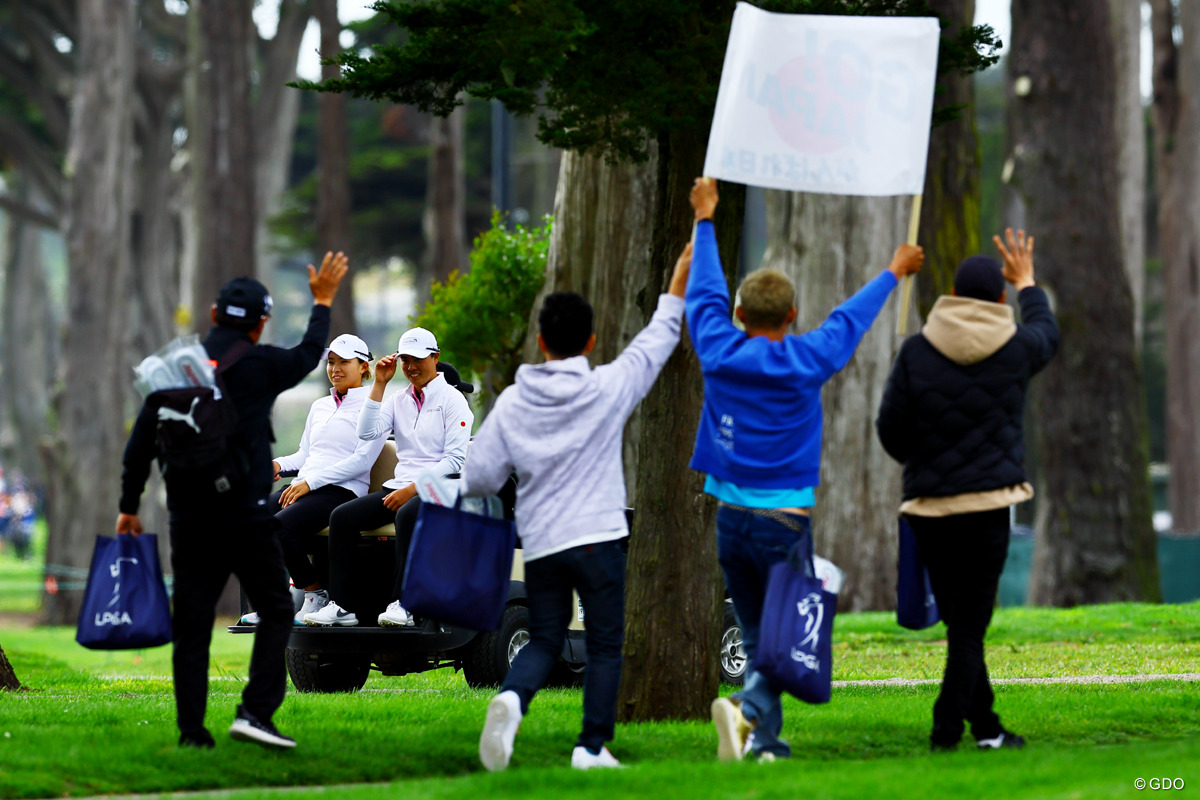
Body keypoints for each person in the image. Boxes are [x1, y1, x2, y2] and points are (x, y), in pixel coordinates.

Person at [685, 177, 924, 762]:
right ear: (793, 314)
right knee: (786, 636)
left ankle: (762, 745)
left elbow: (704, 293)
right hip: (784, 523)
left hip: (729, 520)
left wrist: (707, 219)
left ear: (740, 314)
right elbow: (848, 320)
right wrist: (894, 270)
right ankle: (750, 712)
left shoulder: (718, 347)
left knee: (756, 631)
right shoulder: (807, 358)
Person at [463, 243, 693, 772]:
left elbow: (479, 477)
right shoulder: (607, 387)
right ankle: (591, 748)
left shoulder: (514, 403)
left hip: (542, 542)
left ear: (539, 342)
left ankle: (513, 700)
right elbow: (657, 339)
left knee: (545, 638)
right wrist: (682, 270)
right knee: (606, 644)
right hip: (598, 537)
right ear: (591, 342)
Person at [116, 252, 348, 750]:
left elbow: (140, 444)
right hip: (245, 515)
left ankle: (191, 732)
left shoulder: (176, 367)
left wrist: (129, 506)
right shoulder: (263, 364)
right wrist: (322, 301)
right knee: (276, 609)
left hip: (189, 518)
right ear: (262, 324)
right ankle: (255, 713)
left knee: (194, 624)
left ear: (215, 314)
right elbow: (310, 352)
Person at [876, 229, 1058, 752]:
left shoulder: (915, 351)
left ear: (952, 295)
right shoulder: (1017, 348)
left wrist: (925, 463)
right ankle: (946, 733)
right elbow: (1047, 332)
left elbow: (890, 429)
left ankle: (987, 728)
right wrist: (1027, 283)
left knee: (961, 623)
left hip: (929, 509)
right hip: (987, 507)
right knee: (969, 627)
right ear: (1000, 299)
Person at [302, 327, 473, 627]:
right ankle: (344, 606)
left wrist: (411, 489)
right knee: (341, 518)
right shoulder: (397, 399)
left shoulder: (452, 399)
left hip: (441, 490)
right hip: (399, 488)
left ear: (435, 358)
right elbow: (365, 431)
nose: (411, 367)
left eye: (418, 359)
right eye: (405, 359)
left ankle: (404, 604)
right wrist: (379, 383)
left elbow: (454, 460)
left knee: (407, 516)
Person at [237, 334, 386, 627]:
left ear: (364, 367)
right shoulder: (320, 405)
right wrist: (278, 464)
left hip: (341, 490)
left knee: (279, 527)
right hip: (307, 486)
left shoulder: (374, 407)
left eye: (344, 362)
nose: (335, 369)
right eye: (331, 362)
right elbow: (306, 454)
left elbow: (361, 462)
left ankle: (314, 592)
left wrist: (310, 482)